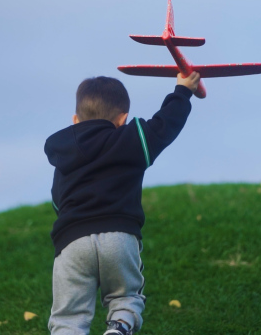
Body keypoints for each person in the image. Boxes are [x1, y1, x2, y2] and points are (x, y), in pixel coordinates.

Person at [44, 71, 201, 335]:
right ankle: (119, 328)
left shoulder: (63, 153)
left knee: (69, 316)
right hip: (118, 237)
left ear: (75, 120)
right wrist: (182, 91)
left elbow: (58, 200)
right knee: (125, 298)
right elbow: (165, 125)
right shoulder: (130, 139)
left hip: (71, 242)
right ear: (123, 119)